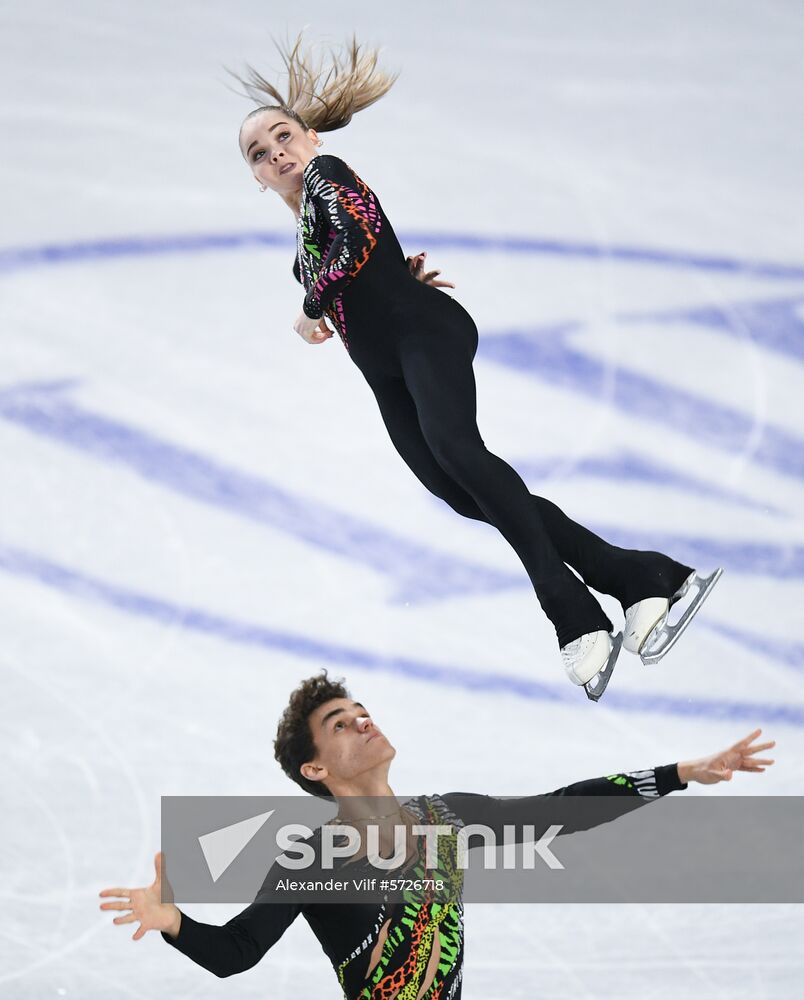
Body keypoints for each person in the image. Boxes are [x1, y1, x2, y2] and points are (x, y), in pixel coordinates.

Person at [231, 36, 722, 699]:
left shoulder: (329, 173)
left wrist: (314, 305)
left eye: (282, 135)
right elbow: (359, 259)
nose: (275, 152)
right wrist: (380, 281)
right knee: (459, 491)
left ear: (311, 137)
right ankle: (639, 575)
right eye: (259, 154)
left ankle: (571, 612)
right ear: (257, 177)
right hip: (388, 368)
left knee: (462, 454)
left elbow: (352, 241)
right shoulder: (303, 232)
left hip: (421, 336)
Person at [100, 672, 775, 998]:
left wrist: (678, 773)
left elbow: (562, 812)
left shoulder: (445, 819)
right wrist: (172, 921)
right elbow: (237, 953)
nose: (364, 721)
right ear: (315, 768)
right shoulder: (311, 859)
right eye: (341, 723)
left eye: (362, 711)